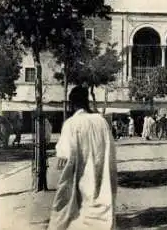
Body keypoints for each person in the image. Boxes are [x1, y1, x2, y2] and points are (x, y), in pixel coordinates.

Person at [47, 85, 117, 230]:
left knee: (74, 218)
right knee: (101, 216)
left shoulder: (71, 124)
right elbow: (110, 148)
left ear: (72, 104)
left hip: (80, 180)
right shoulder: (101, 121)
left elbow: (63, 157)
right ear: (87, 101)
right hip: (100, 177)